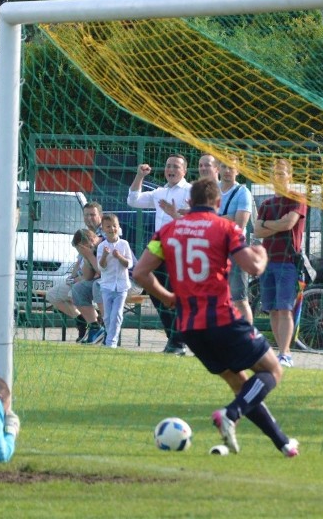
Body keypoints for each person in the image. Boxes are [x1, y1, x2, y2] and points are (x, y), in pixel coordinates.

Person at [133, 178, 298, 457]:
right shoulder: (225, 227)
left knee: (241, 385)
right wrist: (261, 253)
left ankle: (282, 443)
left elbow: (139, 273)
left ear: (189, 201)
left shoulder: (168, 231)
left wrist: (166, 297)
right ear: (218, 202)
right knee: (272, 370)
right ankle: (231, 414)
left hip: (189, 327)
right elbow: (254, 267)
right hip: (222, 319)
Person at [127, 154, 192, 355]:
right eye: (168, 166)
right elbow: (133, 200)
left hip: (181, 250)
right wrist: (140, 176)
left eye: (175, 166)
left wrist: (182, 213)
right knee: (156, 292)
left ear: (184, 171)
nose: (171, 169)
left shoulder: (191, 190)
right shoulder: (159, 192)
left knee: (175, 295)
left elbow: (202, 215)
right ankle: (175, 338)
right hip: (158, 249)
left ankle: (177, 341)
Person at [253, 158, 307, 369]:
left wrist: (268, 224)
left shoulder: (297, 198)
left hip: (287, 262)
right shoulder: (266, 204)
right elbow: (257, 230)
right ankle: (280, 351)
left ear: (290, 176)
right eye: (274, 173)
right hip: (267, 262)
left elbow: (289, 224)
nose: (278, 177)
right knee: (273, 310)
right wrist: (274, 225)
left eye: (282, 173)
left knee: (285, 309)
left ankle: (286, 354)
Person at [46, 202, 106, 342]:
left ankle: (94, 324)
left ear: (100, 216)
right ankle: (82, 319)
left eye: (92, 214)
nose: (89, 218)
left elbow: (97, 270)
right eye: (86, 215)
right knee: (52, 295)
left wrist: (79, 279)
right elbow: (80, 260)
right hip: (82, 277)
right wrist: (72, 277)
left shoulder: (104, 235)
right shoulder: (83, 233)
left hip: (95, 279)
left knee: (75, 292)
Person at [218, 156, 255, 324]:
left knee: (239, 298)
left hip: (235, 251)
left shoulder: (243, 192)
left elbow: (240, 223)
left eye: (231, 168)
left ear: (238, 171)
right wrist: (227, 217)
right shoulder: (211, 190)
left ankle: (249, 340)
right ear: (218, 168)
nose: (227, 171)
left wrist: (213, 218)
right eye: (224, 166)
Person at [97, 213, 134, 348]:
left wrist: (119, 257)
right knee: (107, 317)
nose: (111, 229)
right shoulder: (102, 246)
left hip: (122, 286)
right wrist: (105, 256)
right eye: (108, 226)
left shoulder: (124, 244)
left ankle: (111, 342)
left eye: (114, 226)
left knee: (117, 315)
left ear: (118, 227)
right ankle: (109, 336)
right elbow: (101, 267)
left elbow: (129, 264)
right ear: (103, 229)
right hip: (106, 286)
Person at [70, 228, 106, 343]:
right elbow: (87, 277)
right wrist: (86, 258)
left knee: (98, 285)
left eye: (82, 248)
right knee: (78, 289)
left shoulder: (105, 244)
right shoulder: (91, 250)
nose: (81, 251)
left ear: (90, 240)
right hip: (104, 281)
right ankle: (95, 327)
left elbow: (102, 272)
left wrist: (90, 256)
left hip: (126, 281)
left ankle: (108, 327)